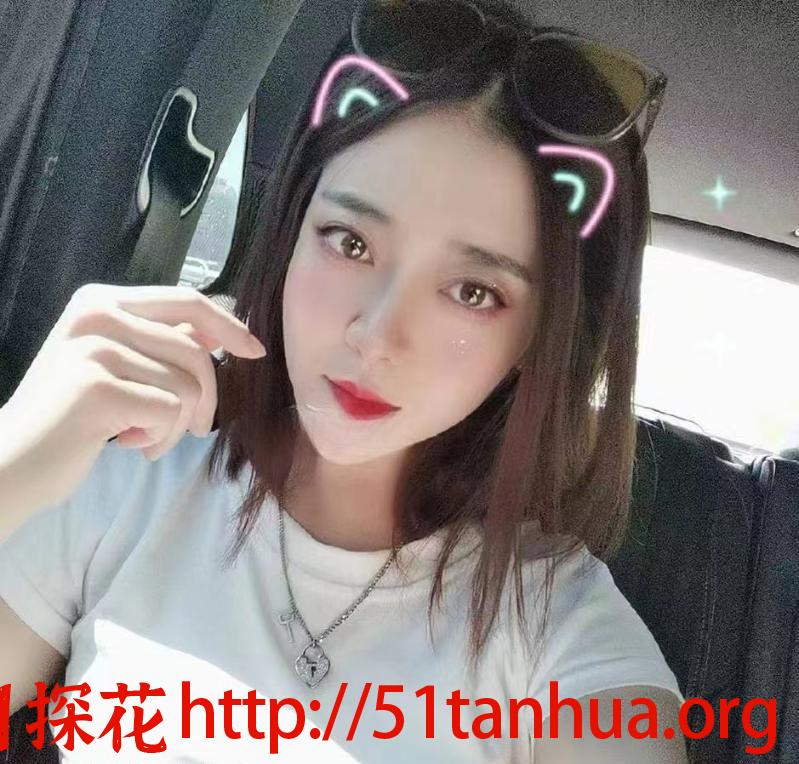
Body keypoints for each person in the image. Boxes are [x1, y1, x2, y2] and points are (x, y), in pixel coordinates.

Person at [0, 0, 687, 760]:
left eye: (472, 292)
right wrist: (11, 462)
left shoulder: (558, 633)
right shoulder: (128, 484)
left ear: (539, 339)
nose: (375, 334)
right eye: (349, 241)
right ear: (293, 230)